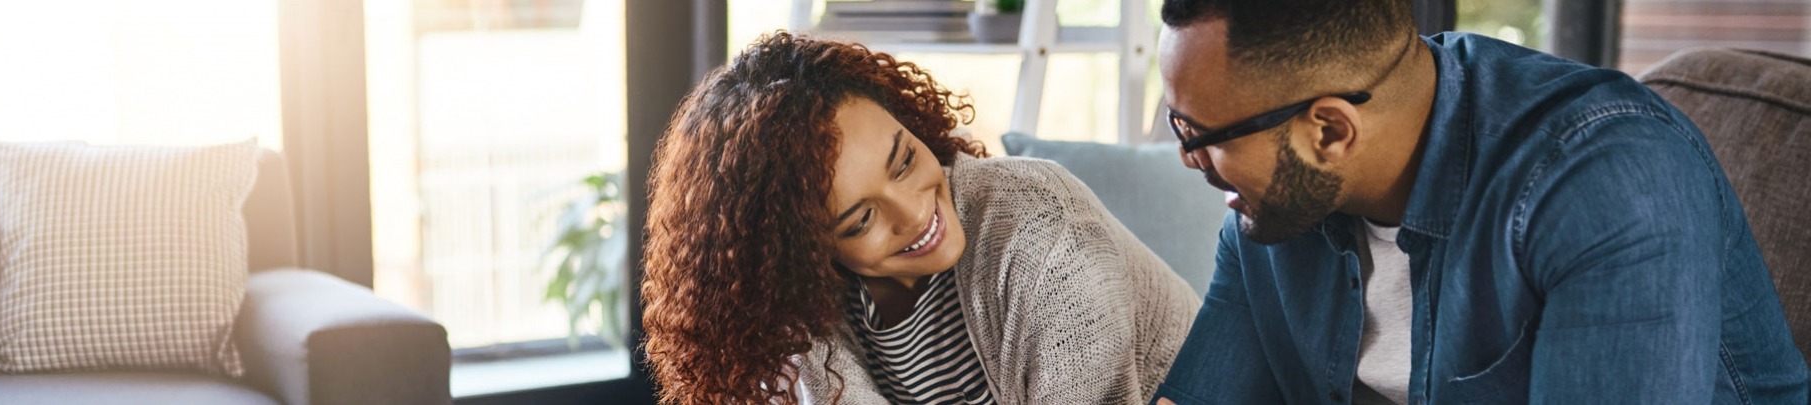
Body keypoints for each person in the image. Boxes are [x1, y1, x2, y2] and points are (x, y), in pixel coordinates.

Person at [1148, 0, 1809, 404]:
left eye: (1200, 133)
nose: (1186, 156)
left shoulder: (1608, 181)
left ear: (1329, 130)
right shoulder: (1276, 209)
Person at [642, 31, 1200, 404]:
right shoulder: (807, 311)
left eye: (905, 159)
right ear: (806, 253)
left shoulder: (1042, 232)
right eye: (860, 221)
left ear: (907, 118)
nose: (914, 212)